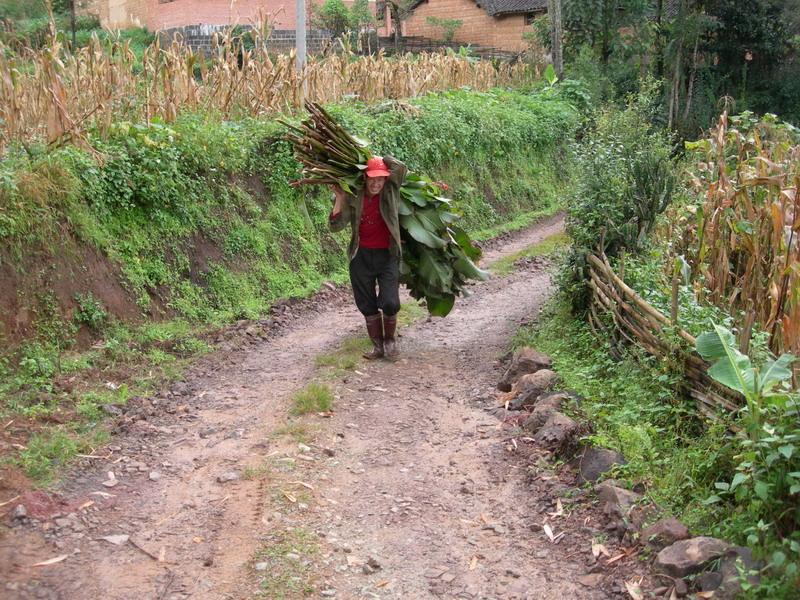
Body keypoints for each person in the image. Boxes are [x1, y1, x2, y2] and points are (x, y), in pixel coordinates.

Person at [329, 156, 407, 361]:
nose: (376, 183)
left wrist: (378, 159)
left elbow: (400, 167)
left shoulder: (390, 191)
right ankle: (378, 346)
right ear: (364, 178)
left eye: (380, 179)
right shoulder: (355, 197)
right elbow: (335, 226)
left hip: (387, 255)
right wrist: (339, 199)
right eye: (372, 178)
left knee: (390, 301)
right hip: (361, 256)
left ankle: (390, 341)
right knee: (366, 303)